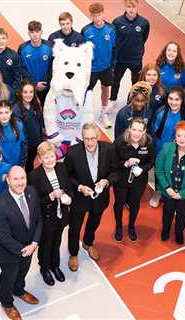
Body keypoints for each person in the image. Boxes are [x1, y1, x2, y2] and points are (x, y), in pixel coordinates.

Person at [0, 166, 42, 320]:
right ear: (8, 180)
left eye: (23, 178)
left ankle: (19, 290)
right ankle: (6, 302)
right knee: (8, 277)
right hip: (9, 252)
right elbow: (2, 236)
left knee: (23, 272)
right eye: (16, 179)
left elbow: (38, 219)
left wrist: (34, 243)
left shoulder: (32, 192)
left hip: (29, 247)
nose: (20, 183)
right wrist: (23, 250)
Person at [65, 122, 117, 271]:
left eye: (93, 138)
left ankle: (88, 243)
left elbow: (115, 171)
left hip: (100, 198)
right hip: (79, 198)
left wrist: (106, 181)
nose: (89, 142)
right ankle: (73, 253)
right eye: (86, 138)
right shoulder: (73, 153)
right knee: (74, 228)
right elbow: (67, 176)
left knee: (94, 222)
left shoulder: (109, 149)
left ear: (98, 137)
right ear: (82, 138)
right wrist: (79, 187)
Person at [28, 142, 73, 286]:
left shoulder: (62, 167)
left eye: (52, 156)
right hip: (46, 217)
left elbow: (68, 187)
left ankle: (55, 265)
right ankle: (45, 268)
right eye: (46, 158)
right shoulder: (34, 176)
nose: (50, 160)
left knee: (57, 241)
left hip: (61, 214)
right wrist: (51, 196)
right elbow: (35, 203)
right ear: (40, 159)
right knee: (46, 244)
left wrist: (68, 197)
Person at [155, 121, 185, 245]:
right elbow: (159, 170)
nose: (181, 139)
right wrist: (167, 188)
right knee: (167, 212)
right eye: (179, 136)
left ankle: (179, 232)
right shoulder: (167, 148)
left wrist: (182, 194)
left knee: (182, 214)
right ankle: (165, 230)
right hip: (168, 192)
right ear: (175, 137)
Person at [113, 118, 155, 242]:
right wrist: (125, 163)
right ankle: (119, 226)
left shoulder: (149, 143)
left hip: (139, 181)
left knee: (135, 204)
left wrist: (142, 168)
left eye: (140, 130)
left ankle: (131, 226)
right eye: (134, 129)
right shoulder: (119, 142)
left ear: (144, 131)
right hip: (121, 180)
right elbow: (112, 162)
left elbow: (151, 161)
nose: (136, 133)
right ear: (129, 129)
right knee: (119, 203)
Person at [149, 87, 185, 208]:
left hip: (178, 153)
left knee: (173, 173)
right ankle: (157, 192)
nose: (173, 102)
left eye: (177, 99)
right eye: (171, 99)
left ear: (182, 101)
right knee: (159, 172)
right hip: (160, 150)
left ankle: (169, 193)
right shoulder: (160, 113)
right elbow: (153, 132)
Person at [82, 2, 116, 129]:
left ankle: (103, 113)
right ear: (91, 16)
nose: (97, 18)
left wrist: (112, 66)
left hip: (106, 68)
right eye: (94, 16)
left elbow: (115, 48)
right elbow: (83, 51)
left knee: (105, 89)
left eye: (99, 15)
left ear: (103, 14)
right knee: (87, 91)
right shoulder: (86, 31)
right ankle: (85, 115)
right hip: (91, 69)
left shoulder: (111, 29)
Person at [110, 0, 150, 105]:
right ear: (125, 7)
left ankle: (131, 101)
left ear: (137, 7)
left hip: (135, 60)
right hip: (120, 59)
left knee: (136, 83)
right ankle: (113, 100)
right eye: (128, 6)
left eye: (133, 6)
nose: (131, 9)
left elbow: (144, 38)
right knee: (115, 81)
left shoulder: (144, 23)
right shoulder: (117, 21)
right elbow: (113, 40)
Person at [18, 20, 53, 105]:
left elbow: (52, 67)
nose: (35, 35)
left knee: (47, 113)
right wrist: (34, 84)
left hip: (47, 87)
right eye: (32, 32)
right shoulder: (22, 48)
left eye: (37, 32)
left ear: (41, 32)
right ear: (28, 33)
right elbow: (22, 69)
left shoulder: (50, 46)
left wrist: (45, 83)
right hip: (30, 89)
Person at [12, 80, 44, 173]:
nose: (28, 95)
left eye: (31, 92)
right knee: (25, 166)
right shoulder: (16, 110)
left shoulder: (36, 105)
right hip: (25, 145)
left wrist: (41, 141)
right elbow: (19, 133)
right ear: (20, 93)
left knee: (32, 164)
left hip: (36, 143)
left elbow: (39, 124)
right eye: (25, 92)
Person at [0, 100, 27, 167]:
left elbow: (24, 145)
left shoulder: (19, 124)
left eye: (6, 112)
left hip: (18, 164)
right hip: (0, 166)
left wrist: (22, 164)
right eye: (0, 113)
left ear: (11, 112)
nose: (4, 116)